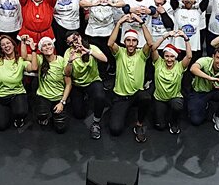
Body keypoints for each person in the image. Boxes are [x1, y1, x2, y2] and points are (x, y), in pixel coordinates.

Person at [107, 14, 154, 143]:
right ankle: (122, 111)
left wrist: (142, 23)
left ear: (137, 43)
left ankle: (139, 124)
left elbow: (150, 43)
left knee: (146, 97)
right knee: (115, 130)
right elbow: (110, 43)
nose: (131, 44)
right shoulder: (120, 53)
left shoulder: (142, 54)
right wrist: (119, 23)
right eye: (128, 40)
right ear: (125, 42)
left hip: (136, 94)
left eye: (134, 41)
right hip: (121, 96)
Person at [64, 30, 108, 140]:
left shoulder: (91, 47)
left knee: (100, 97)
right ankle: (83, 97)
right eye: (70, 43)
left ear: (80, 37)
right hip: (77, 84)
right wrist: (70, 61)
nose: (74, 43)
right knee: (79, 114)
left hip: (92, 81)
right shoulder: (68, 53)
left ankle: (96, 122)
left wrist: (89, 52)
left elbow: (105, 59)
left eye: (75, 39)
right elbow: (67, 73)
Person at [0, 34, 32, 131]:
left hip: (17, 93)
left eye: (8, 43)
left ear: (13, 44)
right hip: (1, 95)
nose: (6, 46)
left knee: (21, 111)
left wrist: (33, 50)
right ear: (1, 49)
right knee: (0, 126)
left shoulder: (20, 60)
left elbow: (33, 68)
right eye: (3, 45)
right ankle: (6, 110)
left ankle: (18, 117)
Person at [151, 29, 192, 134]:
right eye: (167, 56)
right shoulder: (158, 62)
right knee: (160, 126)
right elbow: (153, 48)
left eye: (172, 56)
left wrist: (186, 38)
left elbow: (189, 56)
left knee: (177, 105)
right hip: (159, 98)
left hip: (174, 97)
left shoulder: (179, 66)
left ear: (176, 57)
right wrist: (165, 36)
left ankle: (174, 121)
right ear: (163, 56)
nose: (169, 59)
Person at [188, 46, 219, 131]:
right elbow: (193, 69)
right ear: (213, 57)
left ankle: (218, 116)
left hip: (215, 92)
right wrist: (211, 78)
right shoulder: (205, 61)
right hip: (199, 92)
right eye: (218, 58)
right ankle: (205, 106)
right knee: (196, 120)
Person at [31, 36, 72, 134]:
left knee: (60, 129)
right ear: (41, 50)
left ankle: (55, 113)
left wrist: (62, 102)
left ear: (53, 47)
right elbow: (26, 58)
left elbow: (69, 83)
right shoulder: (40, 59)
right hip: (44, 96)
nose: (47, 47)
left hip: (58, 97)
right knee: (42, 115)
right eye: (44, 46)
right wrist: (33, 49)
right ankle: (44, 114)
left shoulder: (61, 60)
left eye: (49, 44)